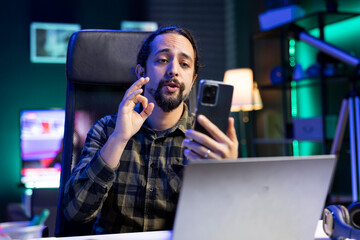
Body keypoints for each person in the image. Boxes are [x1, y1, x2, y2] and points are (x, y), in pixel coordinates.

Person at [63, 25, 238, 234]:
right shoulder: (106, 129)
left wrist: (229, 176)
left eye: (184, 64)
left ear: (192, 80)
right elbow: (76, 213)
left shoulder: (206, 141)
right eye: (163, 60)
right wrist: (119, 138)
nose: (173, 69)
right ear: (141, 72)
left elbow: (226, 225)